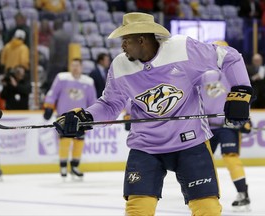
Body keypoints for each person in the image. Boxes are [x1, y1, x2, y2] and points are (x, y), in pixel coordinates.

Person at [53, 12, 253, 215]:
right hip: (146, 146)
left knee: (207, 209)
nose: (122, 46)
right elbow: (110, 104)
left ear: (141, 40)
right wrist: (85, 118)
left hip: (191, 143)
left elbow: (230, 56)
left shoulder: (182, 49)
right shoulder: (120, 65)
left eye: (126, 40)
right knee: (138, 210)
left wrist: (241, 92)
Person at [201, 40, 252, 212]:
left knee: (213, 160)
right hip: (211, 125)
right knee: (207, 160)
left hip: (219, 125)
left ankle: (235, 194)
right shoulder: (230, 71)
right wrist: (245, 117)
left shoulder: (202, 73)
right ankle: (209, 195)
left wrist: (245, 118)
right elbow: (243, 93)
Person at [43, 58, 97, 178]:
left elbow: (92, 100)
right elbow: (52, 93)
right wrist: (48, 106)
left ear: (81, 67)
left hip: (81, 118)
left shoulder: (88, 82)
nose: (75, 68)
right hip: (64, 117)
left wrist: (93, 115)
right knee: (64, 142)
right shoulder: (62, 78)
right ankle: (63, 166)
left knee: (79, 142)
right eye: (72, 65)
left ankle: (74, 166)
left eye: (77, 65)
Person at [44, 19, 71, 92]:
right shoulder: (68, 36)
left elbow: (52, 52)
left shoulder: (54, 35)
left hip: (55, 64)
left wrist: (49, 64)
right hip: (66, 64)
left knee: (53, 85)